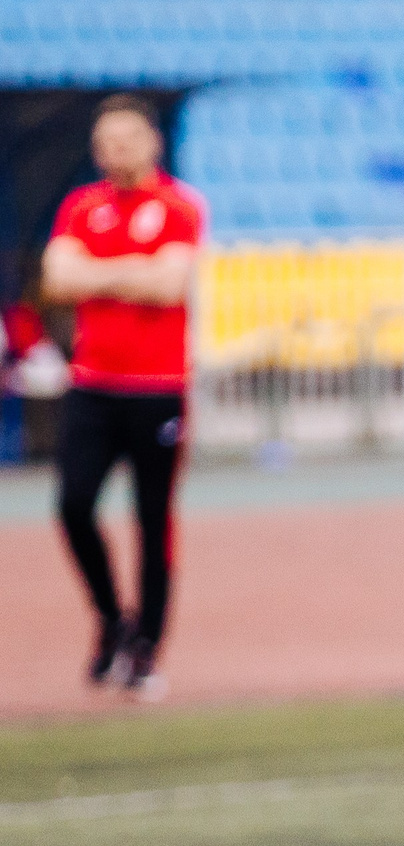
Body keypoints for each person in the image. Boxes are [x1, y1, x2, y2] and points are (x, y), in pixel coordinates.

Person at [40, 94, 203, 699]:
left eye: (127, 139)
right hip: (93, 384)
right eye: (105, 142)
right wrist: (133, 273)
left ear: (152, 142)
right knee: (73, 504)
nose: (116, 152)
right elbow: (57, 278)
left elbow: (170, 285)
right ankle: (111, 618)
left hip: (158, 389)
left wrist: (100, 274)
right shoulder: (82, 206)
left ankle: (146, 648)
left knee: (152, 519)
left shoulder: (178, 206)